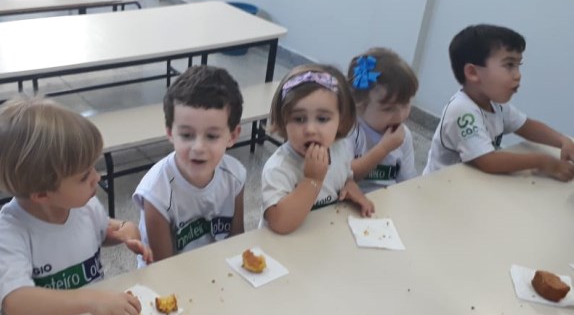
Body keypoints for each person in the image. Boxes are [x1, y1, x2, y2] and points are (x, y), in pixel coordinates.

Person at [0, 96, 150, 315]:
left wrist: (124, 231)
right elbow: (15, 302)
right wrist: (90, 300)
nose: (97, 177)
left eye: (93, 167)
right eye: (84, 176)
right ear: (42, 194)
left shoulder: (84, 206)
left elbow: (103, 230)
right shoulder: (12, 230)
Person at [423, 24, 574, 180]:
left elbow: (527, 126)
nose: (518, 75)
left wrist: (562, 140)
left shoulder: (496, 105)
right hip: (440, 186)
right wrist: (542, 161)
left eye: (518, 65)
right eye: (509, 65)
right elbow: (489, 161)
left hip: (473, 182)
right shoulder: (461, 110)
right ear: (473, 73)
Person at [133, 65, 246, 264]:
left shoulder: (235, 175)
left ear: (233, 136)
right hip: (171, 274)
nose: (198, 147)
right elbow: (163, 267)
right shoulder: (157, 193)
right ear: (170, 132)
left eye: (212, 136)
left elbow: (236, 243)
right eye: (186, 135)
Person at [261, 64, 374, 235]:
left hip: (323, 237)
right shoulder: (278, 168)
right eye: (299, 119)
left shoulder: (340, 149)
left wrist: (350, 187)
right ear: (284, 123)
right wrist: (312, 180)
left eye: (322, 119)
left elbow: (344, 177)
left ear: (341, 121)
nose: (310, 129)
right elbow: (279, 223)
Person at [346, 48, 419, 192]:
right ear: (359, 104)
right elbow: (342, 176)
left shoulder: (403, 135)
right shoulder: (349, 132)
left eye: (405, 104)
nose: (400, 116)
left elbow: (408, 182)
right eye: (388, 109)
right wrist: (384, 148)